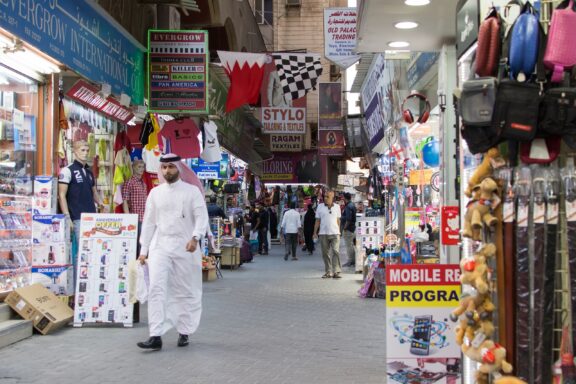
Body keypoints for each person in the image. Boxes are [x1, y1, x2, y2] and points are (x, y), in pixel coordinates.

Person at [136, 154, 209, 351]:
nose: (167, 171)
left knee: (184, 289)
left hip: (186, 246)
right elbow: (149, 222)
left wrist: (195, 237)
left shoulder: (192, 192)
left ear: (178, 168)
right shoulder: (155, 193)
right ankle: (155, 334)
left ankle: (184, 330)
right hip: (160, 246)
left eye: (171, 167)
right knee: (156, 289)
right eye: (164, 167)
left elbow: (202, 217)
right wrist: (144, 250)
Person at [58, 140, 103, 284]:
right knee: (81, 253)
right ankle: (79, 286)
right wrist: (67, 217)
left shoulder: (89, 173)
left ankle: (89, 283)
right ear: (75, 151)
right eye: (82, 150)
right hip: (77, 217)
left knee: (92, 251)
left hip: (92, 217)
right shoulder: (67, 170)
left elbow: (94, 192)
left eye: (87, 150)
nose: (85, 153)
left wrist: (102, 204)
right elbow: (61, 195)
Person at [121, 159, 147, 323]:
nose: (141, 169)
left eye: (143, 166)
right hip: (135, 219)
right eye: (139, 166)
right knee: (138, 248)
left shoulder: (143, 183)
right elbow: (125, 200)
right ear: (133, 168)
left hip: (145, 219)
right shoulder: (129, 182)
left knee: (143, 247)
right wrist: (128, 217)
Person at [313, 191, 342, 279]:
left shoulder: (337, 207)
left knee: (335, 251)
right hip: (323, 233)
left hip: (335, 233)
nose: (325, 198)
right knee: (325, 253)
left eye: (327, 197)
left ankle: (336, 271)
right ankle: (328, 271)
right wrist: (315, 232)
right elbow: (317, 221)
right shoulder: (320, 207)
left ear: (332, 198)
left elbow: (338, 220)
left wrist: (339, 231)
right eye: (324, 196)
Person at [341, 192, 357, 267]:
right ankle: (353, 260)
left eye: (343, 197)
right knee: (351, 245)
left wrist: (344, 228)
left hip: (349, 229)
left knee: (349, 245)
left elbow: (348, 219)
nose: (342, 199)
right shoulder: (352, 205)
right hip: (352, 228)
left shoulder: (348, 207)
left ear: (345, 198)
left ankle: (350, 261)